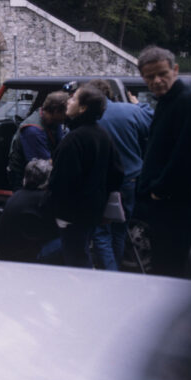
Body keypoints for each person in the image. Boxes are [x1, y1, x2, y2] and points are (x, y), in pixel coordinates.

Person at [135, 46, 191, 278]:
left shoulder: (187, 101)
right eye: (150, 77)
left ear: (175, 70)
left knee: (170, 264)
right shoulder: (169, 101)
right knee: (165, 263)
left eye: (162, 74)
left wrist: (161, 189)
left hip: (175, 201)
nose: (157, 81)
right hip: (169, 200)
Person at [48, 84, 123, 268]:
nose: (68, 101)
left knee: (76, 260)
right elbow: (117, 174)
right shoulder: (102, 134)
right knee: (82, 254)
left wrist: (54, 208)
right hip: (93, 212)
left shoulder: (74, 139)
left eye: (73, 98)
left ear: (83, 108)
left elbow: (62, 182)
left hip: (71, 215)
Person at [83, 79, 153, 270]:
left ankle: (109, 274)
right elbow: (152, 120)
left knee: (101, 232)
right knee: (120, 230)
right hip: (129, 179)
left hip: (102, 182)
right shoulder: (130, 111)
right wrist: (138, 104)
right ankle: (115, 269)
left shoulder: (90, 116)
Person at [0, 158, 62, 264]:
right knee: (70, 241)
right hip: (24, 258)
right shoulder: (43, 199)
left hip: (4, 254)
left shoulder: (16, 195)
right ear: (47, 180)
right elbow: (55, 228)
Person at [6, 91, 68, 188]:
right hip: (25, 177)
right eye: (65, 112)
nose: (67, 115)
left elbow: (60, 146)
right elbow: (43, 166)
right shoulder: (33, 131)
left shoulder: (54, 122)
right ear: (56, 111)